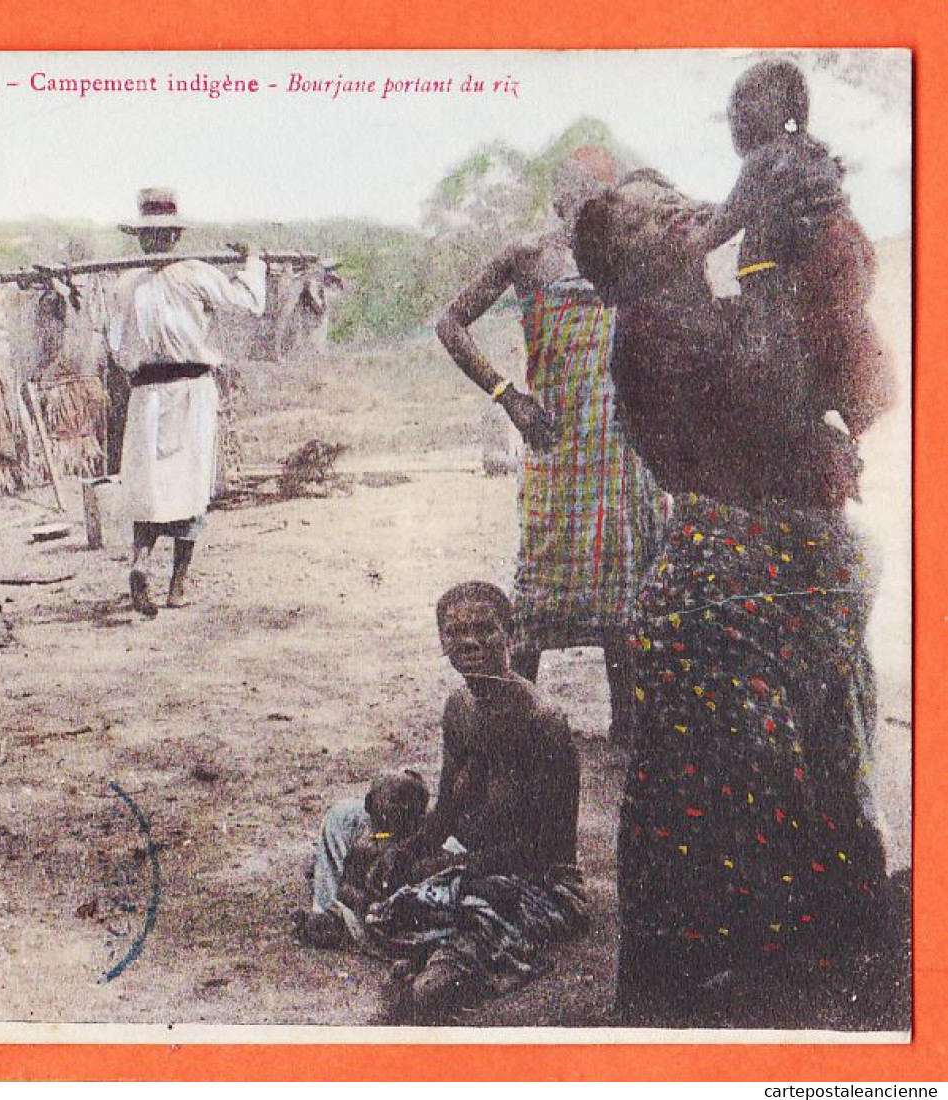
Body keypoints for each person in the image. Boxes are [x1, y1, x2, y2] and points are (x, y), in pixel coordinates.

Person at [573, 171, 893, 1028]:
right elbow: (775, 391)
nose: (675, 206)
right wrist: (762, 259)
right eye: (645, 215)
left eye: (672, 194)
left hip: (771, 581)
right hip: (726, 599)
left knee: (798, 772)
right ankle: (738, 992)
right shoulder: (652, 327)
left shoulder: (701, 316)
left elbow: (863, 387)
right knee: (744, 792)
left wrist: (813, 240)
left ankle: (787, 970)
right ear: (623, 264)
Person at [435, 147, 665, 744]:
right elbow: (450, 323)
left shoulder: (631, 256)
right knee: (540, 587)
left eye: (600, 198)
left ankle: (627, 728)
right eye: (577, 196)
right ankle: (515, 724)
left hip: (624, 446)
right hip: (556, 444)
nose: (585, 208)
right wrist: (508, 396)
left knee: (627, 585)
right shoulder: (529, 254)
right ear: (559, 199)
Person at [360, 582, 587, 1022]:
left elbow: (545, 850)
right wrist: (410, 850)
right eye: (454, 632)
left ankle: (427, 978)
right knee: (368, 847)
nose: (468, 642)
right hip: (469, 861)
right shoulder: (459, 707)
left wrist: (454, 870)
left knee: (476, 926)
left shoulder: (542, 722)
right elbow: (446, 809)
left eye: (484, 630)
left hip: (535, 882)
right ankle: (400, 919)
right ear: (442, 641)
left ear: (511, 635)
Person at [691, 58, 895, 439]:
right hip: (850, 247)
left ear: (760, 118)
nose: (735, 124)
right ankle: (852, 395)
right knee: (833, 328)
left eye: (739, 113)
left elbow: (726, 222)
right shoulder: (811, 152)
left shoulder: (763, 159)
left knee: (773, 327)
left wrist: (690, 244)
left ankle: (787, 404)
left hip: (810, 257)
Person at [106, 187, 267, 616]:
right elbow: (249, 301)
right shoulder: (194, 274)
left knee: (150, 486)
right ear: (173, 236)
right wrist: (253, 262)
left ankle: (141, 564)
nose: (157, 243)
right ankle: (177, 584)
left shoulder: (124, 285)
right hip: (190, 390)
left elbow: (117, 347)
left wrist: (140, 367)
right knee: (188, 486)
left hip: (147, 394)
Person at [299, 771, 431, 950]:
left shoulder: (420, 843)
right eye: (388, 815)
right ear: (370, 808)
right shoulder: (366, 845)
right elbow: (345, 889)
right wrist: (366, 902)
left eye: (404, 816)